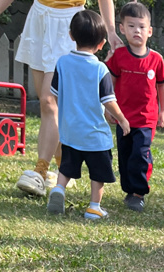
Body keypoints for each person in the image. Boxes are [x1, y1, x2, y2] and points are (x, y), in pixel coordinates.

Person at [0, 0, 120, 198]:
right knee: (47, 104)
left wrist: (111, 30)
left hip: (69, 23)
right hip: (39, 18)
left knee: (49, 101)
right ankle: (64, 168)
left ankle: (40, 172)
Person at [45, 10, 129, 220]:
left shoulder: (62, 63)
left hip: (70, 132)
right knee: (98, 173)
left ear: (71, 35)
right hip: (95, 135)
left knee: (67, 167)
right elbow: (108, 101)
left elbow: (54, 94)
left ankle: (59, 189)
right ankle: (94, 207)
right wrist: (122, 119)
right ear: (101, 44)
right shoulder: (100, 69)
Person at [105, 2, 164, 213]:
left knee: (140, 154)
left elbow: (162, 85)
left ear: (149, 31)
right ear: (122, 28)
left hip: (146, 119)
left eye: (141, 27)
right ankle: (129, 190)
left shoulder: (156, 59)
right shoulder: (118, 57)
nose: (137, 31)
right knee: (125, 155)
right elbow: (110, 84)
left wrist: (163, 111)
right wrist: (109, 108)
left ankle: (138, 194)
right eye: (131, 26)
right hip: (123, 118)